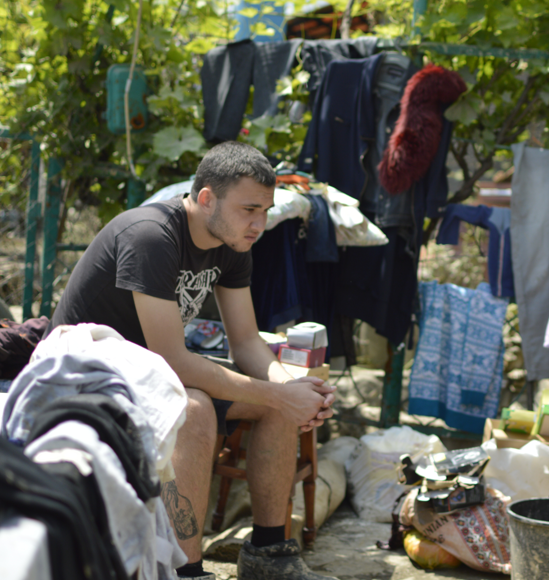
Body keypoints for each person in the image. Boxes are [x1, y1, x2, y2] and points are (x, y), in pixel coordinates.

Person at [50, 142, 338, 580]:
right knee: (194, 410)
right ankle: (185, 572)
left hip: (150, 371)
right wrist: (279, 394)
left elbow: (245, 341)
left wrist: (290, 388)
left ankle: (268, 554)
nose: (259, 224)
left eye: (265, 210)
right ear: (206, 199)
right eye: (249, 210)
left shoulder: (233, 242)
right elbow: (175, 363)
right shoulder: (151, 236)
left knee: (277, 403)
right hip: (87, 373)